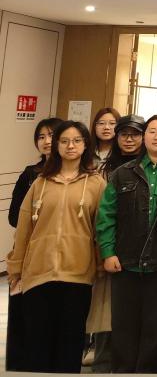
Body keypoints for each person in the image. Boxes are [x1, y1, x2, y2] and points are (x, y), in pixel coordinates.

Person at [95, 113, 157, 373]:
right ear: (144, 137)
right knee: (123, 329)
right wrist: (107, 252)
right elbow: (106, 215)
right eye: (151, 131)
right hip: (125, 263)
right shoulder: (122, 174)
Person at [7, 120, 105, 373]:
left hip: (77, 275)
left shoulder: (96, 184)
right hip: (38, 273)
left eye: (77, 141)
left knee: (70, 342)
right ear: (57, 146)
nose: (70, 146)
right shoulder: (40, 183)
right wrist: (16, 267)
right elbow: (24, 228)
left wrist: (101, 265)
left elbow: (102, 229)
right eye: (64, 141)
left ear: (86, 145)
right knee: (37, 342)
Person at [88, 115, 146, 372]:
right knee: (105, 309)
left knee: (133, 312)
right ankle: (102, 362)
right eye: (124, 134)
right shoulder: (104, 169)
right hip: (109, 247)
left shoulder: (149, 165)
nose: (129, 139)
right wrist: (104, 249)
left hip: (141, 251)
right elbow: (101, 213)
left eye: (135, 134)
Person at [6, 117, 59, 372]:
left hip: (62, 254)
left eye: (52, 135)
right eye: (41, 137)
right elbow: (13, 216)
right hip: (30, 250)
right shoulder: (30, 174)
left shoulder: (81, 175)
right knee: (26, 310)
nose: (46, 141)